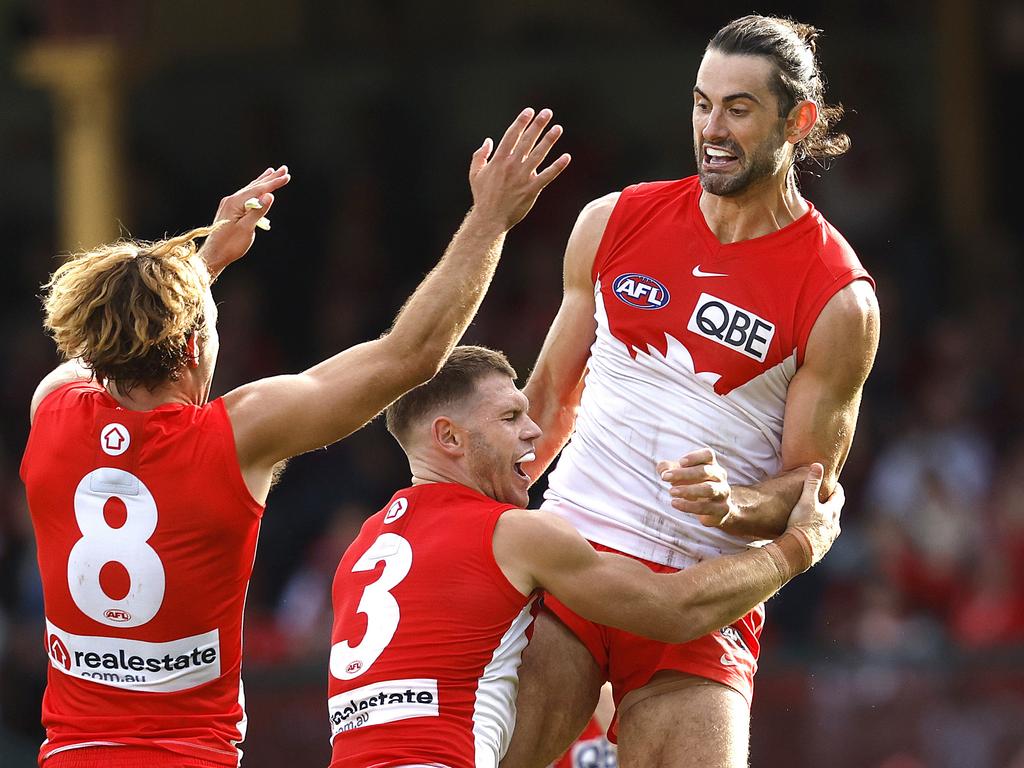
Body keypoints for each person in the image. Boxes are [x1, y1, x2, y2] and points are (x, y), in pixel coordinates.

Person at [22, 108, 569, 768]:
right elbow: (411, 354)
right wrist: (490, 219)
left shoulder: (51, 409)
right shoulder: (235, 435)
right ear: (194, 344)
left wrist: (200, 269)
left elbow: (102, 349)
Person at [502, 15, 881, 768]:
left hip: (702, 606)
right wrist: (471, 530)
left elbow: (812, 491)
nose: (712, 127)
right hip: (570, 564)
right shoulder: (612, 221)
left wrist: (732, 505)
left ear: (798, 121)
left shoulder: (839, 296)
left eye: (739, 109)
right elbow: (543, 403)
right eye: (702, 103)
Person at [326, 345, 844, 768]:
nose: (533, 431)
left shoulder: (362, 548)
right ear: (449, 437)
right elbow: (673, 610)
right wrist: (797, 548)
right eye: (510, 417)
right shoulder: (511, 534)